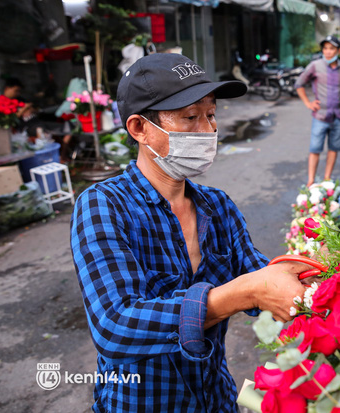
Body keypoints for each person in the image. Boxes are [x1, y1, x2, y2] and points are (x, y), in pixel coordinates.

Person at [70, 53, 311, 412]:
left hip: (217, 398)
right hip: (142, 403)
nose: (208, 130)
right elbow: (115, 326)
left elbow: (260, 275)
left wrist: (317, 275)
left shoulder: (217, 206)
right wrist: (245, 292)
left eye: (211, 114)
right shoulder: (103, 206)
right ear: (139, 128)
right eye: (190, 117)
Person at [295, 35, 340, 187]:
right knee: (315, 148)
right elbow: (299, 84)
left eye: (331, 48)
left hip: (338, 115)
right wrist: (308, 103)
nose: (328, 52)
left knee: (333, 148)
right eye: (325, 48)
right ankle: (311, 180)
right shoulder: (315, 66)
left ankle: (326, 178)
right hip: (320, 115)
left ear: (338, 51)